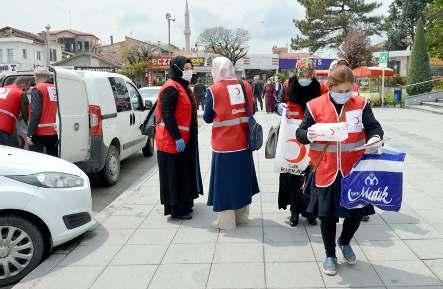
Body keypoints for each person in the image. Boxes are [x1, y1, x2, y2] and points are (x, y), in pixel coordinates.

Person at [296, 65, 384, 276]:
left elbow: (374, 127)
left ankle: (344, 242)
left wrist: (374, 139)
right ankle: (330, 255)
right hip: (326, 169)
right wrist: (309, 135)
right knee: (327, 216)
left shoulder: (361, 104)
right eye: (340, 91)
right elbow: (300, 132)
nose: (345, 95)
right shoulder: (315, 105)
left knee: (355, 213)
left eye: (348, 91)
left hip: (353, 170)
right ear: (331, 86)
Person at [204, 57, 260, 230]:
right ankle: (242, 216)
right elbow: (252, 109)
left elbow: (207, 118)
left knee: (225, 183)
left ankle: (227, 222)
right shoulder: (246, 86)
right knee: (241, 179)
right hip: (244, 142)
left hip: (224, 145)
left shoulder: (213, 90)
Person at [276, 58, 323, 227]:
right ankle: (294, 211)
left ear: (312, 75)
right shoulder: (288, 86)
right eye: (302, 74)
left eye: (308, 75)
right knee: (293, 176)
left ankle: (310, 212)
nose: (305, 78)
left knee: (312, 176)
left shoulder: (320, 88)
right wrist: (280, 108)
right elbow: (278, 103)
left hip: (313, 136)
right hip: (292, 138)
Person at [155, 56, 203, 220]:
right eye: (187, 67)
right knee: (175, 175)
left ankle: (186, 203)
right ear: (177, 68)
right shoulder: (171, 88)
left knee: (184, 173)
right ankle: (177, 209)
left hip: (185, 140)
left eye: (190, 67)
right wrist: (177, 138)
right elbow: (168, 116)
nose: (190, 71)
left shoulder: (184, 87)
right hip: (171, 141)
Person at [329, 58, 370, 222]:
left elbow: (362, 111)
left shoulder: (354, 89)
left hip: (354, 136)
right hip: (334, 144)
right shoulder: (328, 92)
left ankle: (361, 209)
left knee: (357, 177)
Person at [27, 68, 59, 156]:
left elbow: (35, 112)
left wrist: (30, 134)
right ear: (48, 77)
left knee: (35, 160)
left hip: (39, 132)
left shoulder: (37, 89)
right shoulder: (57, 88)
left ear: (36, 77)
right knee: (54, 158)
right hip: (55, 131)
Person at [0, 77, 30, 146]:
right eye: (27, 89)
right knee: (9, 151)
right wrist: (31, 129)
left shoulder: (2, 88)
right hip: (3, 127)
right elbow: (26, 114)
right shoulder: (20, 93)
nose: (26, 91)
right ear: (23, 85)